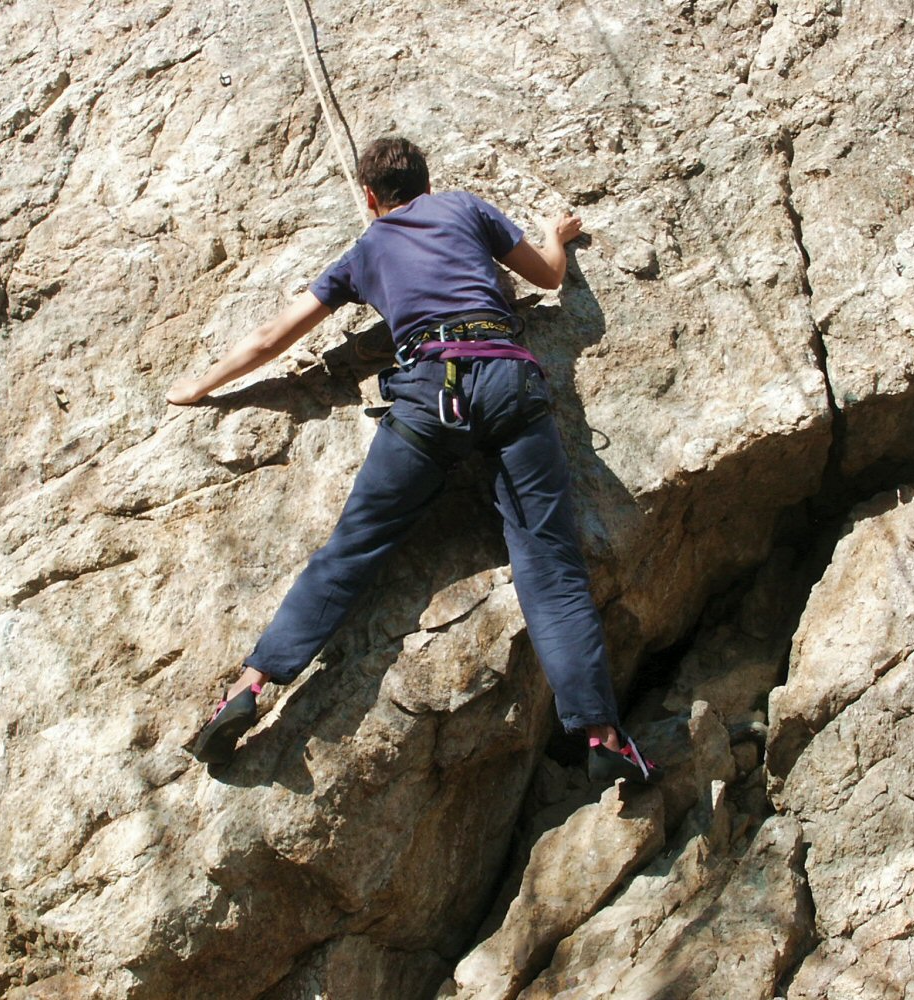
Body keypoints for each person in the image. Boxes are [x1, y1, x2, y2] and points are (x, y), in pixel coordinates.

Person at [167, 137, 657, 785]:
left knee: (352, 547)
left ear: (369, 198)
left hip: (429, 395)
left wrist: (198, 388)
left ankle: (249, 688)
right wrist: (554, 234)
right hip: (506, 378)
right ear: (426, 182)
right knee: (548, 558)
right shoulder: (464, 208)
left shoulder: (364, 249)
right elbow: (547, 276)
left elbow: (270, 339)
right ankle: (600, 734)